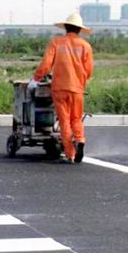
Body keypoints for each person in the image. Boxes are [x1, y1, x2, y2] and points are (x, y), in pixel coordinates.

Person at [30, 13, 94, 163]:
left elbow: (46, 65)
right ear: (79, 29)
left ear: (65, 27)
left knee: (64, 120)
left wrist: (36, 78)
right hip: (77, 88)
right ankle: (80, 139)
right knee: (76, 118)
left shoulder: (56, 43)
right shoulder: (86, 46)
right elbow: (89, 70)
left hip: (59, 88)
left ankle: (70, 154)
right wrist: (80, 79)